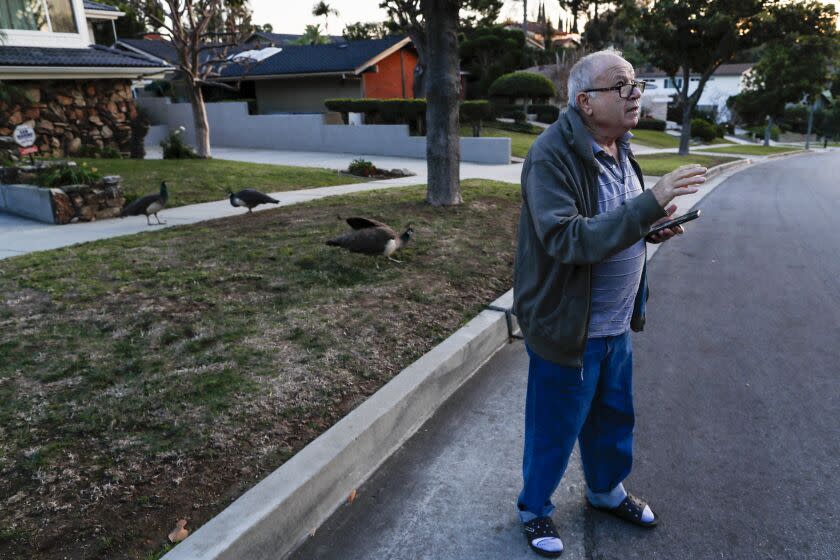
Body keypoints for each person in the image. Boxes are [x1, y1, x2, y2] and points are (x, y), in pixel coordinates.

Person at [512, 49, 707, 557]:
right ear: (586, 102)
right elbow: (567, 239)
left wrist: (653, 228)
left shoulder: (620, 147)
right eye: (622, 86)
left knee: (613, 417)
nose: (635, 93)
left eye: (636, 83)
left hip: (615, 321)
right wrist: (651, 202)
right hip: (568, 326)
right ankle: (535, 508)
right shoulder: (551, 155)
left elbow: (620, 223)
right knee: (554, 428)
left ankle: (604, 491)